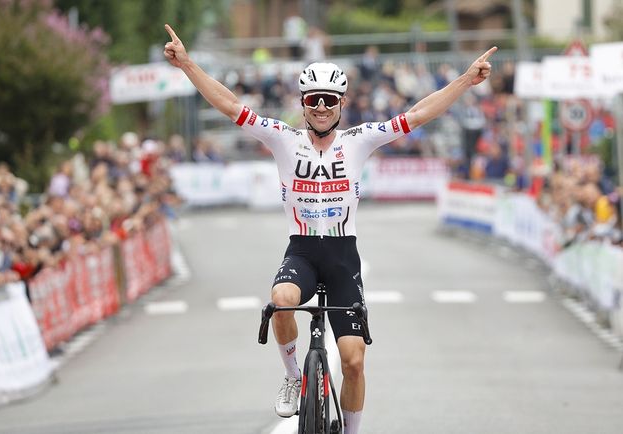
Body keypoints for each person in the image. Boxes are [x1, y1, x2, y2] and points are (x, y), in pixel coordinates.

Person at [164, 23, 495, 434]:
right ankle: (291, 375)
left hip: (343, 257)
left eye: (329, 100)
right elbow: (231, 106)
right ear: (303, 104)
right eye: (313, 99)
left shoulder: (359, 139)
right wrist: (187, 65)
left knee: (354, 362)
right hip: (302, 250)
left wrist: (465, 80)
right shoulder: (282, 137)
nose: (321, 106)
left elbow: (418, 114)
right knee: (281, 300)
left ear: (341, 104)